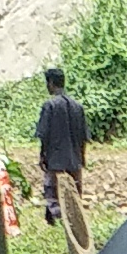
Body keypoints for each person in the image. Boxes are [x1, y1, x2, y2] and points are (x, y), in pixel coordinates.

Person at [38, 66, 90, 223]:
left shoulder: (50, 106)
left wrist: (43, 156)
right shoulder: (77, 106)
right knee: (74, 191)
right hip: (75, 159)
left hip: (56, 159)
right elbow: (83, 137)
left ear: (51, 83)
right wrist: (81, 158)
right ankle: (74, 220)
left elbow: (44, 135)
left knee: (53, 191)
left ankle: (56, 217)